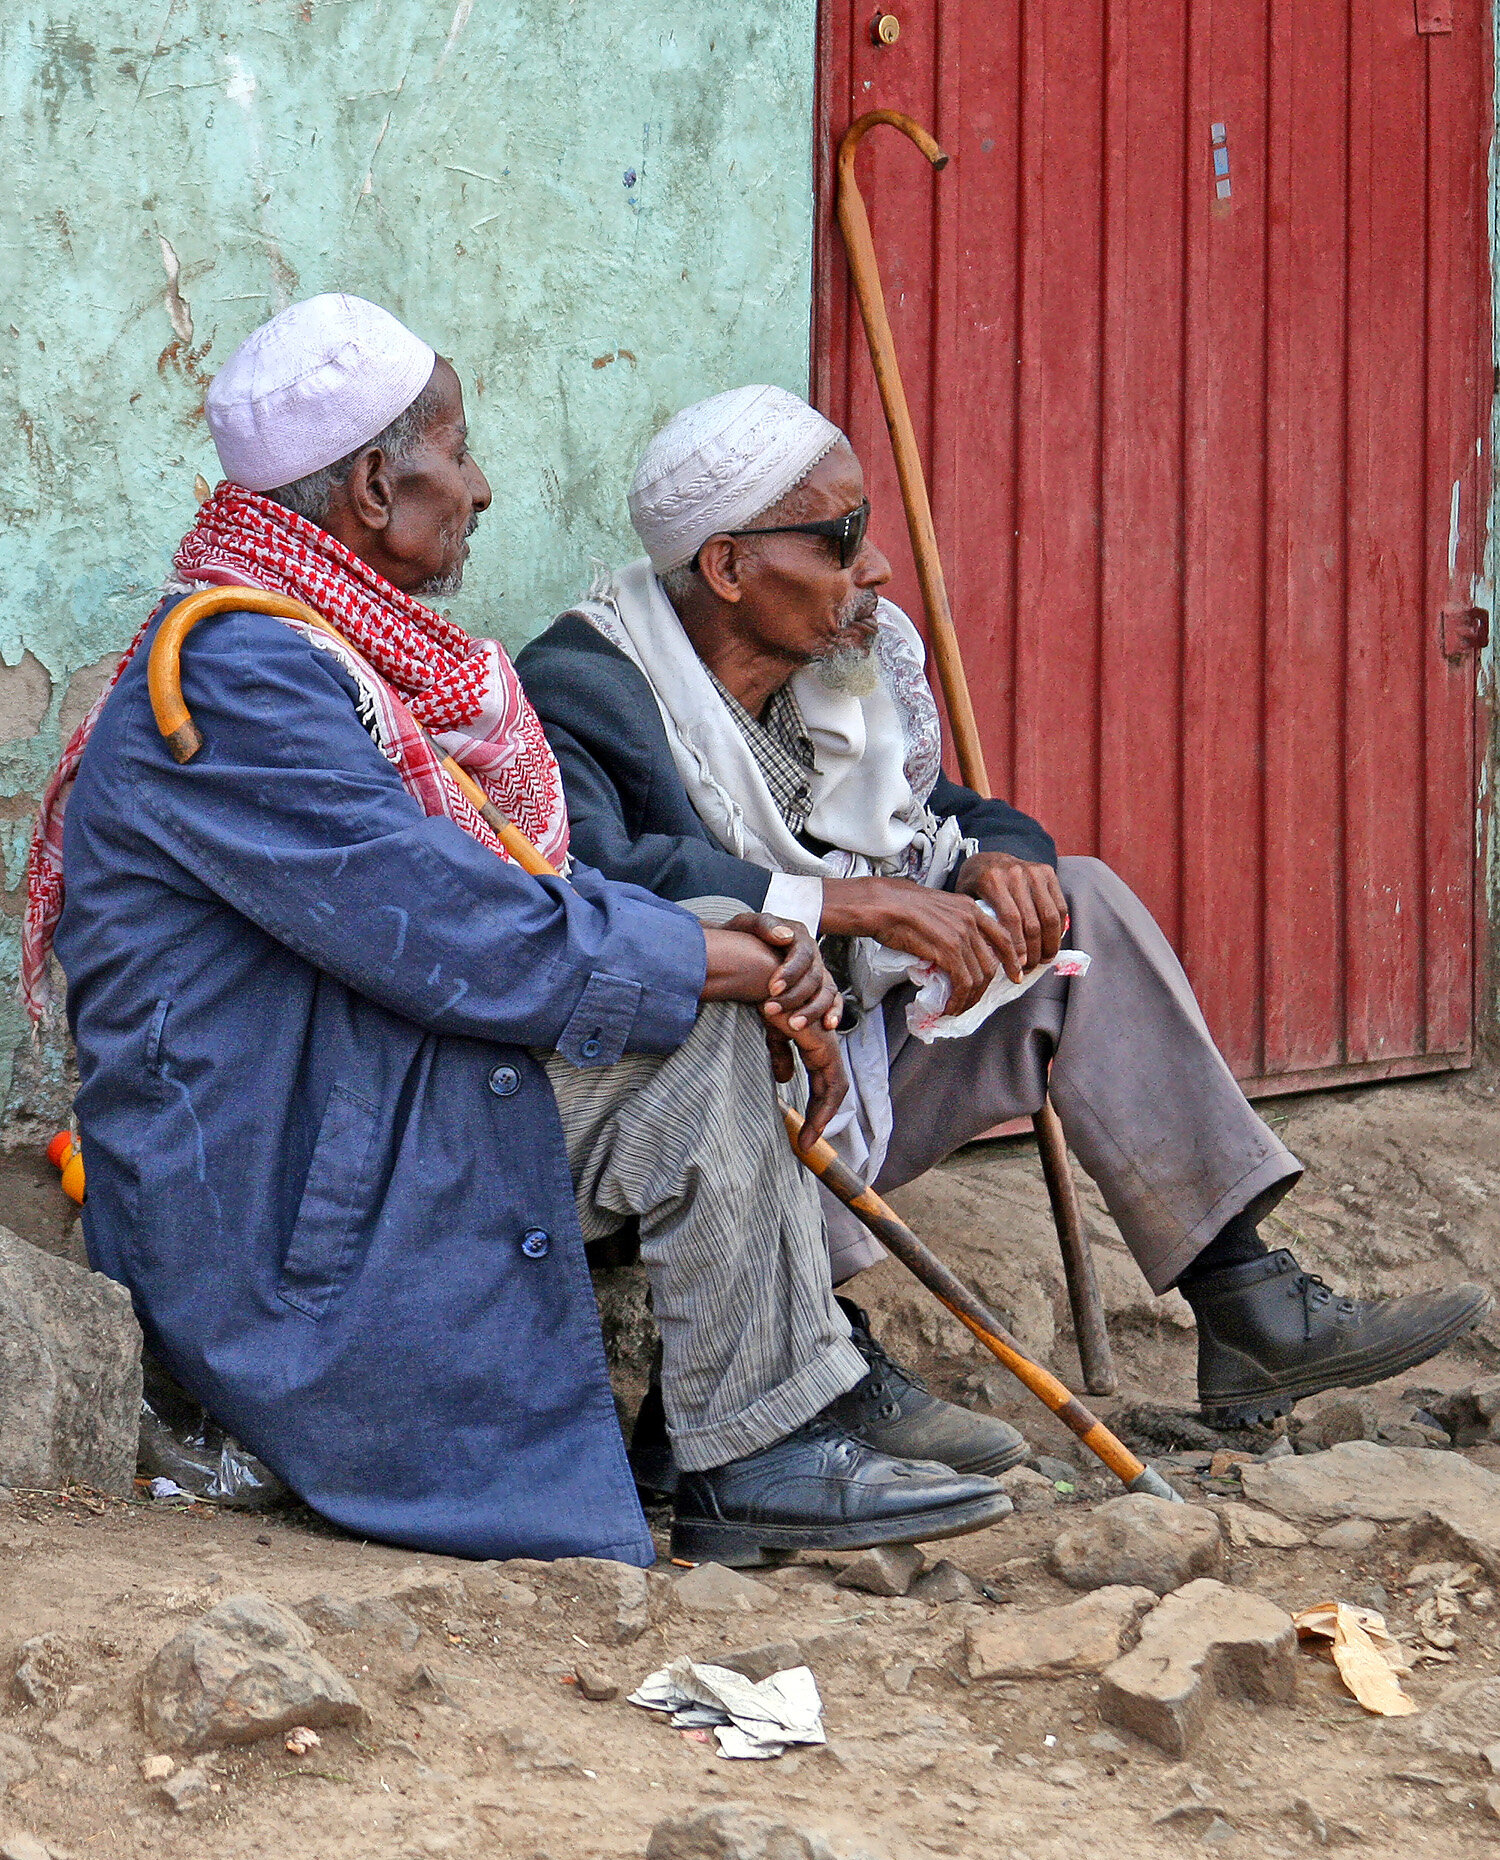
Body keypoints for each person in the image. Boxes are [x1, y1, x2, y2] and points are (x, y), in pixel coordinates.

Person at [26, 302, 1013, 1568]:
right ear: (380, 484)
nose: (483, 486)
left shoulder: (311, 652)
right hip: (275, 1185)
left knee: (703, 937)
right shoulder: (235, 676)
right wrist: (721, 956)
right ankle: (756, 1445)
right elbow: (447, 926)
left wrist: (727, 940)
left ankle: (758, 1415)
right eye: (459, 447)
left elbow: (473, 904)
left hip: (349, 1086)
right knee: (694, 1003)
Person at [515, 383, 1491, 1469]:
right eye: (841, 542)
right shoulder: (583, 683)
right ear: (729, 568)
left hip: (849, 1053)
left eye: (869, 530)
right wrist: (835, 900)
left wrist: (1002, 858)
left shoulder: (837, 674)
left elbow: (940, 818)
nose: (874, 570)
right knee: (753, 1000)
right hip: (696, 1101)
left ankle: (1249, 1302)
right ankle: (800, 1361)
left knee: (1083, 900)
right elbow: (589, 869)